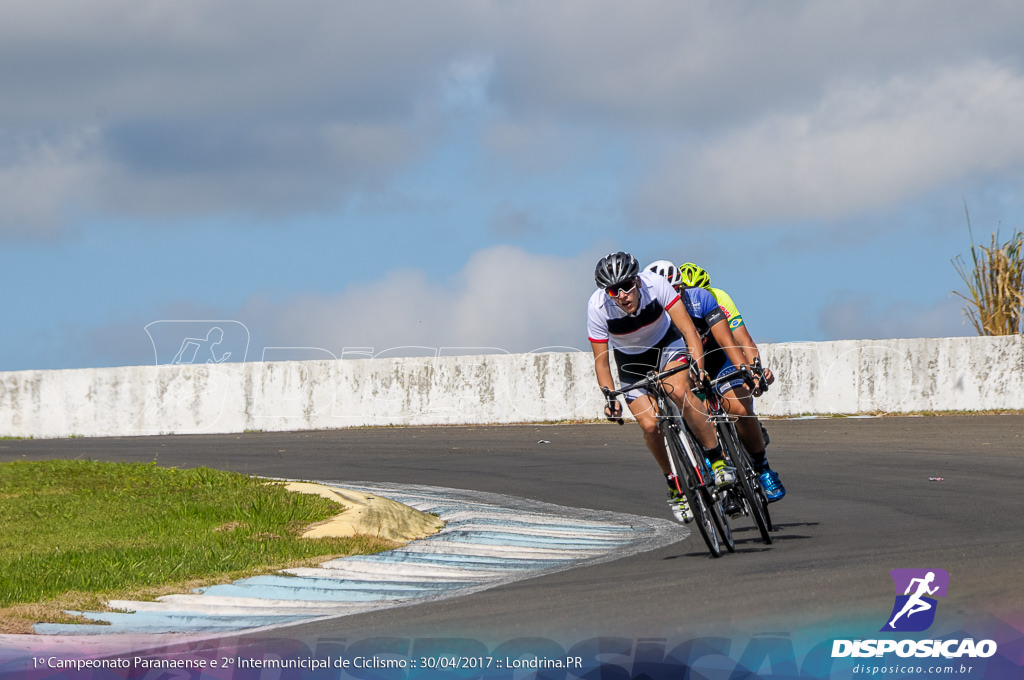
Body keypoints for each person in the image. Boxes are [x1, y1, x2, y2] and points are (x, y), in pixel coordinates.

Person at [588, 251, 734, 524]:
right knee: (650, 425)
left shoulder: (657, 285)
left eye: (626, 287)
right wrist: (609, 397)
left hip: (667, 344)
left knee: (678, 391)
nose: (621, 295)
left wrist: (699, 368)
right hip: (630, 360)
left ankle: (717, 459)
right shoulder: (597, 307)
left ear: (638, 281)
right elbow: (602, 362)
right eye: (613, 291)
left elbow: (689, 331)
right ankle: (674, 486)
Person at [646, 260, 786, 502]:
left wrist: (751, 370)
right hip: (683, 365)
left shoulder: (705, 298)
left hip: (716, 357)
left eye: (676, 291)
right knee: (693, 413)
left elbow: (732, 340)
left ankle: (762, 468)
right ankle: (715, 467)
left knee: (739, 408)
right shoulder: (651, 317)